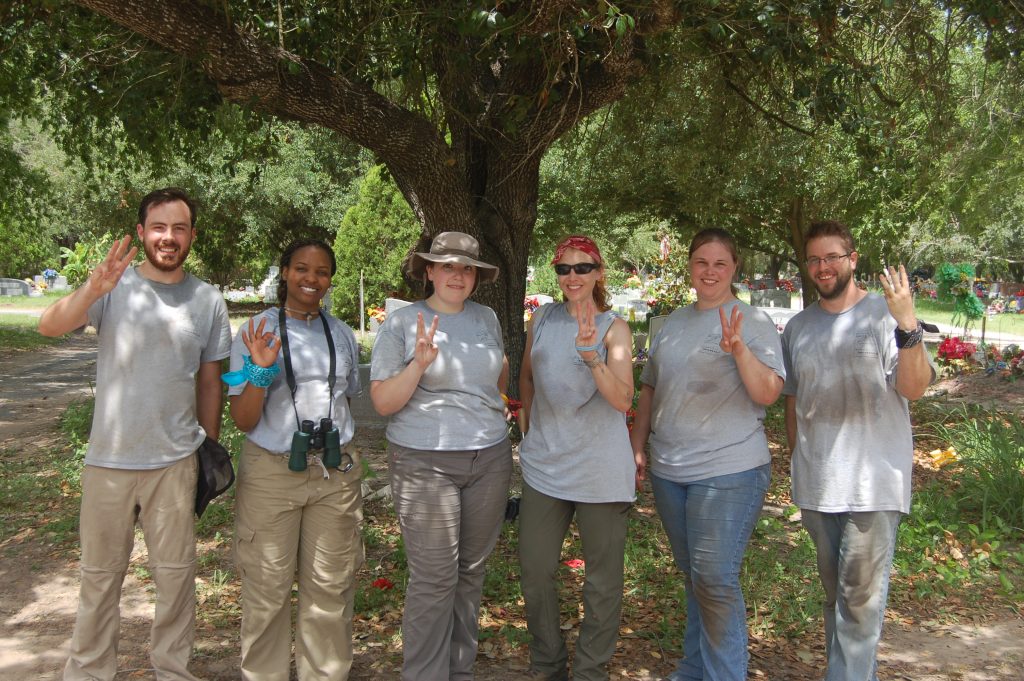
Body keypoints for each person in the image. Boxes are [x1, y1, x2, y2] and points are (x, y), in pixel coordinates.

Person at [38, 187, 231, 681]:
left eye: (180, 228)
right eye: (160, 228)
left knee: (176, 580)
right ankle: (88, 672)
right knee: (99, 580)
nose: (169, 238)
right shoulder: (112, 288)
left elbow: (210, 381)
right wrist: (91, 290)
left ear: (191, 236)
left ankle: (172, 671)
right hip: (109, 461)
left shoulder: (207, 300)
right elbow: (48, 326)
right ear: (143, 232)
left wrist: (209, 446)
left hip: (175, 463)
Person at [782, 220, 934, 681]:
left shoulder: (885, 317)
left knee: (859, 608)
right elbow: (794, 400)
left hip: (873, 486)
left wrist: (908, 323)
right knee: (837, 602)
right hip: (818, 485)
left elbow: (913, 388)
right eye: (814, 259)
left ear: (852, 259)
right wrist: (797, 460)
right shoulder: (799, 327)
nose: (822, 267)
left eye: (832, 257)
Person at [630, 228, 785, 681]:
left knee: (715, 579)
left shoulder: (751, 322)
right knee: (696, 577)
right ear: (690, 267)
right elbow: (651, 388)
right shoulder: (673, 322)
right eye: (702, 262)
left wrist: (738, 350)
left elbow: (769, 392)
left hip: (730, 469)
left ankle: (724, 674)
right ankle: (693, 669)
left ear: (734, 267)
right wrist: (638, 445)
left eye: (720, 263)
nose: (710, 271)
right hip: (671, 469)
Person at [369, 231, 512, 681]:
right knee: (434, 580)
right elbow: (383, 403)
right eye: (446, 265)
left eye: (466, 267)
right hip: (424, 460)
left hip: (488, 457)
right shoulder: (401, 323)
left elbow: (499, 371)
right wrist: (419, 364)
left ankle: (460, 671)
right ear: (428, 270)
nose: (457, 275)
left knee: (470, 573)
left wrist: (496, 403)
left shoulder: (486, 317)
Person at [226, 239, 364, 681]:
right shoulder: (256, 331)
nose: (311, 279)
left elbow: (347, 398)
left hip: (334, 472)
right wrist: (262, 372)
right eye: (301, 268)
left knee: (331, 587)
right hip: (272, 470)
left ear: (330, 280)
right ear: (284, 272)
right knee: (267, 589)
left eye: (322, 272)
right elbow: (244, 419)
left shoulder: (341, 333)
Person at [517, 235, 635, 681]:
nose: (572, 277)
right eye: (564, 269)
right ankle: (548, 665)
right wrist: (527, 428)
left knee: (602, 582)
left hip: (600, 470)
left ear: (599, 273)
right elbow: (527, 376)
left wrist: (592, 359)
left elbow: (623, 399)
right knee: (535, 568)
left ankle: (589, 671)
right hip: (545, 465)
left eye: (582, 268)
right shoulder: (542, 319)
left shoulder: (614, 328)